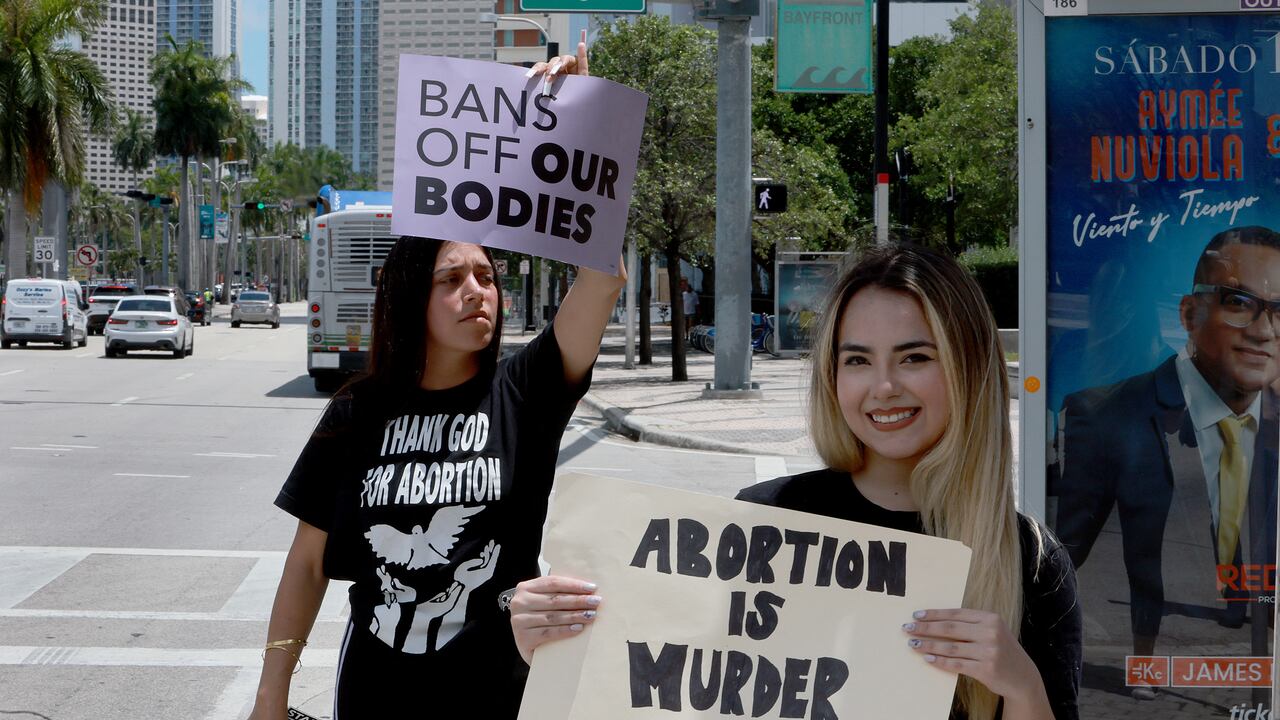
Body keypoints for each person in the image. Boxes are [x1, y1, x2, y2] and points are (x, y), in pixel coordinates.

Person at [511, 245, 1082, 720]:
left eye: (914, 357)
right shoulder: (765, 521)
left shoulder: (1029, 564)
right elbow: (664, 689)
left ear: (968, 366)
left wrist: (1022, 688)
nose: (883, 386)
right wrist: (554, 647)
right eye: (857, 360)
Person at [246, 39, 624, 720]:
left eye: (486, 276)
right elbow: (306, 566)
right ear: (410, 300)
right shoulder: (357, 412)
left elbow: (603, 278)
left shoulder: (527, 390)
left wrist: (580, 131)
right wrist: (271, 693)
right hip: (375, 697)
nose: (477, 291)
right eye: (452, 280)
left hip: (500, 696)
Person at [1055, 226, 1280, 697]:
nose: (1264, 331)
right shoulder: (1105, 416)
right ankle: (1146, 663)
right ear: (1190, 313)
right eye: (1239, 302)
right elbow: (1065, 553)